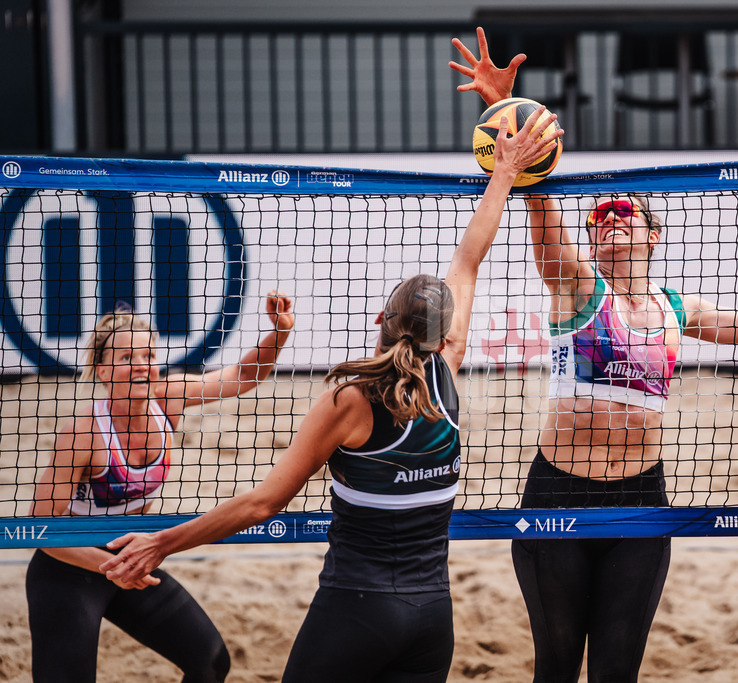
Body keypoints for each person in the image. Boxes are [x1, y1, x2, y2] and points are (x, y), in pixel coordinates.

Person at [451, 27, 738, 683]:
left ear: (653, 234)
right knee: (556, 668)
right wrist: (510, 123)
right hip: (557, 493)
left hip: (642, 499)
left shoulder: (676, 309)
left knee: (617, 672)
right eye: (599, 215)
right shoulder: (578, 288)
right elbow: (544, 222)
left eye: (622, 209)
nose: (609, 217)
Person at [99, 107, 563, 683]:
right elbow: (470, 259)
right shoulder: (448, 370)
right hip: (432, 619)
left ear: (380, 320)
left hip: (358, 611)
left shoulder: (350, 401)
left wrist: (162, 543)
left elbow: (262, 504)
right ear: (443, 335)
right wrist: (506, 175)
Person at [27, 290, 295, 682]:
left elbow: (242, 377)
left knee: (210, 662)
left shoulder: (168, 397)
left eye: (149, 356)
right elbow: (41, 528)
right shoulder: (83, 433)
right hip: (68, 566)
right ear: (102, 370)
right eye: (126, 358)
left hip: (131, 555)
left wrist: (279, 333)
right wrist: (114, 567)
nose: (142, 366)